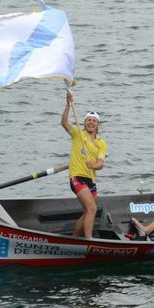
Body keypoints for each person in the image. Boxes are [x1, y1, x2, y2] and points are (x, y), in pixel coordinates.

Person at [61, 92, 107, 238]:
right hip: (77, 177)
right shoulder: (77, 134)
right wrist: (68, 105)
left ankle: (75, 237)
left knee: (87, 211)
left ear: (98, 124)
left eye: (94, 121)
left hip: (90, 180)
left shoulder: (101, 143)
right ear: (84, 123)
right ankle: (89, 239)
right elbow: (64, 122)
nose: (91, 123)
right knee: (92, 209)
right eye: (88, 120)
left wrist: (92, 165)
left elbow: (100, 164)